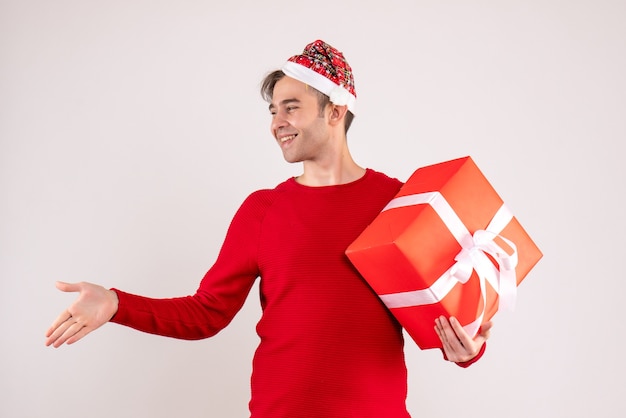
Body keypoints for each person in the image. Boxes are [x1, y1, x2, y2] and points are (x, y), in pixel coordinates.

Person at [45, 40, 492, 417]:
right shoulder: (263, 210)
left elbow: (448, 309)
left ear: (335, 111)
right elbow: (206, 313)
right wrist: (116, 304)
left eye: (292, 108)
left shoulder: (402, 203)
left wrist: (471, 351)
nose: (277, 122)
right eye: (273, 110)